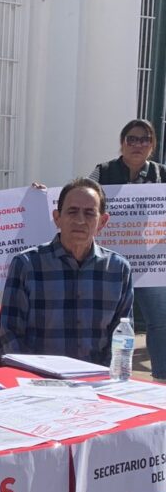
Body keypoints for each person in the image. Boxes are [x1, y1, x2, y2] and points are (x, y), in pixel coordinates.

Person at [0, 178, 134, 365]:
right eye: (72, 211)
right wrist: (30, 377)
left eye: (89, 213)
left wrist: (106, 378)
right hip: (38, 382)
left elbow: (122, 338)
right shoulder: (27, 265)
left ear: (102, 222)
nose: (80, 220)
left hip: (96, 383)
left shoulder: (118, 270)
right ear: (57, 217)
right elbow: (10, 335)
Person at [89, 119, 166, 379]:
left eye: (144, 139)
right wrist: (41, 195)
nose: (138, 144)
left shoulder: (162, 174)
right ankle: (108, 377)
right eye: (131, 139)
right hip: (111, 263)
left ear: (152, 145)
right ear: (122, 144)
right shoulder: (103, 171)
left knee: (160, 321)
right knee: (114, 323)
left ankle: (162, 381)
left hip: (151, 263)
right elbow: (80, 194)